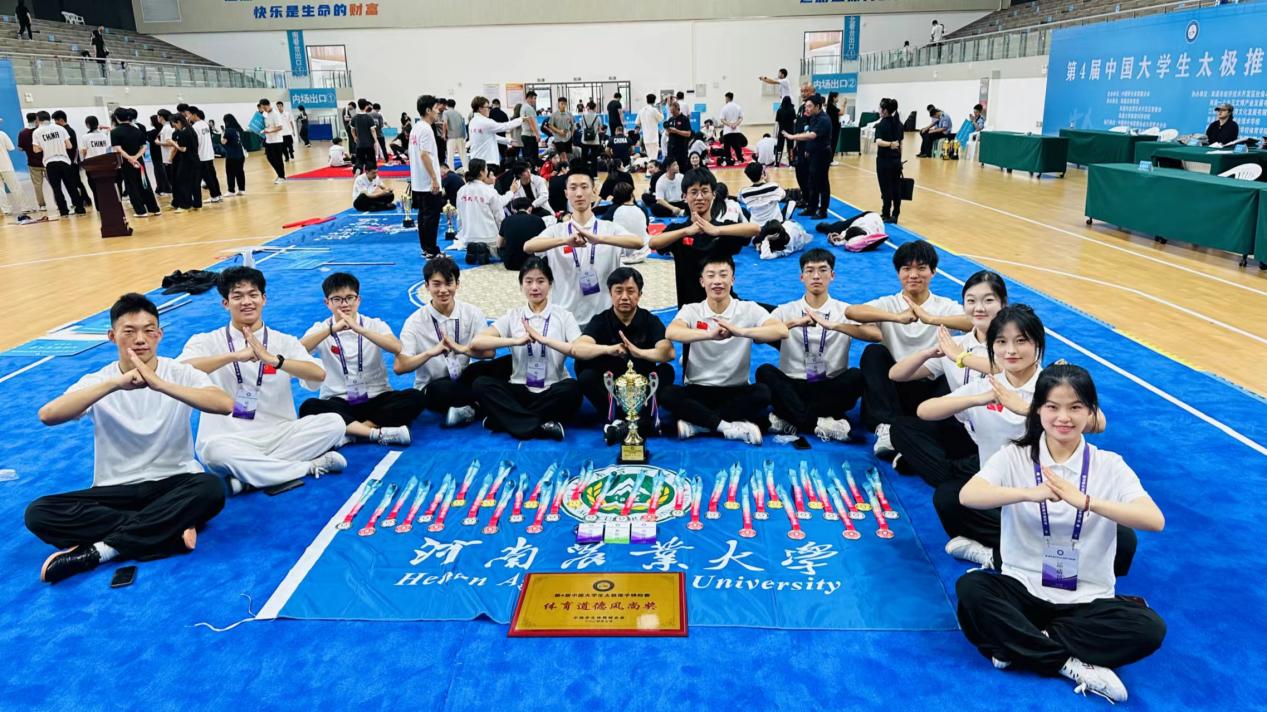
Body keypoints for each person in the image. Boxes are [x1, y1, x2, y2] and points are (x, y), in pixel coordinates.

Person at [955, 365, 1165, 704]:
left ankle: (1016, 643)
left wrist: (1087, 502)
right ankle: (1070, 664)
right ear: (1038, 409)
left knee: (1149, 629)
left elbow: (1154, 520)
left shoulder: (1109, 464)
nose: (1063, 417)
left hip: (1086, 598)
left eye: (1075, 407)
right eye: (1052, 407)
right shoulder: (1015, 456)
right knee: (972, 589)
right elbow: (968, 496)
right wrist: (1028, 493)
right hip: (1024, 588)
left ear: (1091, 412)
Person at [29, 293, 232, 584]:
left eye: (149, 330)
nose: (140, 339)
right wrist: (114, 384)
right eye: (129, 332)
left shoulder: (180, 373)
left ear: (159, 334)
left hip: (174, 483)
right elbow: (48, 415)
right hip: (116, 491)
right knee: (39, 513)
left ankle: (101, 551)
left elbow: (224, 404)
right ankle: (169, 531)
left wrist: (161, 385)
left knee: (210, 488)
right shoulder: (98, 380)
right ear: (112, 336)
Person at [179, 267, 347, 495]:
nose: (247, 302)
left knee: (334, 423)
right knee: (213, 453)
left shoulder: (283, 341)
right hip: (230, 439)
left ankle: (250, 478)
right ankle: (307, 467)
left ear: (264, 299)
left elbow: (318, 374)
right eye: (238, 296)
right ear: (225, 303)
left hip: (280, 434)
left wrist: (276, 360)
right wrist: (233, 356)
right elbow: (180, 371)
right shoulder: (206, 341)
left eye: (253, 294)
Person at [847, 240, 972, 457]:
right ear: (898, 273)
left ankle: (925, 431)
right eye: (906, 269)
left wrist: (931, 319)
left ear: (933, 272)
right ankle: (887, 428)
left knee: (956, 363)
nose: (913, 275)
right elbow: (852, 312)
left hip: (929, 388)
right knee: (873, 353)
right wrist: (896, 317)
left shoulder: (945, 306)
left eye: (921, 268)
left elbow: (973, 322)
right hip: (893, 387)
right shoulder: (889, 304)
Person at [889, 270, 1007, 486]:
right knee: (901, 428)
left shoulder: (1015, 343)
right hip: (964, 428)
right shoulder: (957, 344)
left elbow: (1008, 368)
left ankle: (950, 472)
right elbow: (896, 375)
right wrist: (927, 353)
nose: (979, 308)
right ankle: (957, 474)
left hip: (1001, 433)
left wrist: (960, 357)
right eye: (971, 301)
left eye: (988, 300)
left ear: (1003, 304)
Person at [756, 249, 878, 441]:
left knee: (856, 376)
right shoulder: (785, 310)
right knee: (764, 371)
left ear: (832, 275)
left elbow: (876, 335)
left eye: (822, 270)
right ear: (801, 277)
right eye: (810, 270)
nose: (816, 276)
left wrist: (836, 326)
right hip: (793, 384)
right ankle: (820, 423)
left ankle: (791, 419)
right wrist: (793, 323)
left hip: (829, 386)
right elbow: (759, 337)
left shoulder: (844, 310)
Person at [662, 255, 786, 444]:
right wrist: (709, 335)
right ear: (702, 282)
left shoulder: (748, 308)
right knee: (667, 394)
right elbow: (671, 332)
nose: (717, 281)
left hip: (735, 389)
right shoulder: (692, 309)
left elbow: (781, 330)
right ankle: (727, 427)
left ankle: (700, 424)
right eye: (711, 275)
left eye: (723, 275)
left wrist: (741, 331)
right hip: (698, 388)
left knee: (762, 393)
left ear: (733, 279)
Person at [297, 273, 420, 446]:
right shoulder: (321, 328)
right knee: (309, 407)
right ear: (327, 303)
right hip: (339, 400)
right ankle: (375, 433)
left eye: (350, 298)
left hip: (376, 396)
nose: (344, 304)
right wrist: (331, 330)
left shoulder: (374, 324)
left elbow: (396, 347)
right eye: (337, 299)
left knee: (415, 397)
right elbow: (297, 350)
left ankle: (354, 432)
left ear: (358, 300)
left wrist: (361, 330)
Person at [470, 257, 583, 441]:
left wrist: (546, 340)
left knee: (573, 389)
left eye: (540, 281)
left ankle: (506, 420)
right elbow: (477, 342)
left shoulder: (564, 316)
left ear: (550, 284)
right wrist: (514, 341)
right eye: (528, 282)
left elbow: (579, 349)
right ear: (521, 285)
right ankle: (540, 425)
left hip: (552, 388)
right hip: (519, 388)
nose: (534, 287)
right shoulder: (513, 315)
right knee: (481, 384)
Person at [523, 169, 645, 325]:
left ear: (594, 191)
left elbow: (638, 242)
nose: (579, 193)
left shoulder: (608, 228)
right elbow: (528, 246)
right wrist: (564, 241)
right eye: (573, 188)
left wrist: (599, 239)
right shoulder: (557, 231)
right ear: (566, 193)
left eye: (584, 187)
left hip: (603, 316)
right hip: (564, 316)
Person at [572, 267, 676, 443]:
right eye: (618, 291)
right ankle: (623, 420)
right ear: (610, 294)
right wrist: (608, 349)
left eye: (630, 291)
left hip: (641, 389)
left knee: (666, 371)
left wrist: (639, 353)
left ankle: (633, 422)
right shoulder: (601, 320)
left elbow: (669, 352)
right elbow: (577, 349)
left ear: (640, 294)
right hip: (610, 389)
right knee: (585, 374)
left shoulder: (650, 320)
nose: (624, 297)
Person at [395, 256, 497, 429]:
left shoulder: (472, 313)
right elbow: (399, 367)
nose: (443, 290)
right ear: (427, 286)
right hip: (435, 385)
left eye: (448, 283)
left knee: (504, 365)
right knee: (440, 390)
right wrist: (429, 353)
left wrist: (462, 349)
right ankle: (482, 405)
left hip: (463, 377)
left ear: (457, 284)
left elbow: (490, 353)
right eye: (436, 284)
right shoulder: (414, 322)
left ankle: (470, 408)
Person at [650, 167, 759, 306]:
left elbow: (755, 229)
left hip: (725, 307)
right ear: (684, 197)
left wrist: (716, 230)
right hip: (691, 309)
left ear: (713, 194)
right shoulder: (678, 231)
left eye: (705, 191)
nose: (699, 197)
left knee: (775, 315)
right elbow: (653, 243)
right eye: (694, 192)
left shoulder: (722, 229)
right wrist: (686, 231)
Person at [781, 94, 832, 219]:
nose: (807, 109)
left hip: (822, 154)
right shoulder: (814, 118)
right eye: (806, 106)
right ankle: (811, 207)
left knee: (822, 182)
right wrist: (807, 150)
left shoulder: (824, 119)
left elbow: (812, 135)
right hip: (813, 154)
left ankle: (823, 210)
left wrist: (793, 137)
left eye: (809, 106)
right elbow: (809, 133)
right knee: (812, 181)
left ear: (817, 106)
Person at [409, 94, 445, 260]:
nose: (438, 111)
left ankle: (426, 248)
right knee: (431, 218)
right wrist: (434, 178)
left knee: (424, 216)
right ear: (428, 110)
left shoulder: (416, 127)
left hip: (419, 181)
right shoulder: (426, 129)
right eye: (436, 108)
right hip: (427, 182)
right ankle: (431, 250)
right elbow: (424, 155)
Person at [455, 158, 515, 256]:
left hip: (468, 237)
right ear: (482, 172)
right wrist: (502, 236)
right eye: (486, 169)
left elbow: (459, 216)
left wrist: (463, 234)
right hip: (489, 237)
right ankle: (485, 251)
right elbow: (499, 216)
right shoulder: (489, 191)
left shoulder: (461, 190)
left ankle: (476, 250)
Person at [31, 111, 85, 218]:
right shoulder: (60, 128)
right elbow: (69, 146)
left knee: (57, 188)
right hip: (64, 161)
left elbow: (36, 150)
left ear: (38, 119)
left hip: (50, 163)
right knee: (71, 186)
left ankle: (63, 212)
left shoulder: (37, 132)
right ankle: (80, 209)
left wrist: (45, 146)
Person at [110, 108, 161, 218]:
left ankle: (140, 211)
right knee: (144, 183)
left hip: (126, 162)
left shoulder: (114, 132)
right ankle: (154, 208)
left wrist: (130, 158)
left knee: (131, 185)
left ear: (117, 118)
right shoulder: (137, 130)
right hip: (139, 161)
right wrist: (136, 157)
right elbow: (144, 146)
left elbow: (118, 148)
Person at [52, 111, 93, 211]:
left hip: (72, 160)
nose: (55, 123)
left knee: (76, 182)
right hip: (70, 160)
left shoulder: (68, 131)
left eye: (56, 121)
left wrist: (72, 161)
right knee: (76, 181)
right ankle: (85, 199)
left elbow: (72, 147)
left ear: (61, 120)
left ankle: (84, 200)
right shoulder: (66, 130)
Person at [0, 117, 37, 223]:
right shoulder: (2, 134)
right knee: (15, 187)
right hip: (5, 165)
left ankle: (6, 209)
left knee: (0, 190)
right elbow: (11, 148)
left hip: (4, 166)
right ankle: (25, 207)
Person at [468, 96, 521, 170]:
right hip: (487, 161)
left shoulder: (472, 122)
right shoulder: (485, 121)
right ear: (480, 108)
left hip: (476, 160)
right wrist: (521, 119)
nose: (489, 109)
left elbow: (490, 136)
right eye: (488, 107)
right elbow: (504, 126)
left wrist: (508, 141)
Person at [183, 107, 223, 203]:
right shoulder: (205, 124)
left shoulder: (195, 127)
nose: (187, 117)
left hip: (201, 156)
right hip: (209, 154)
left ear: (194, 114)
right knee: (212, 176)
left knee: (208, 178)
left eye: (188, 115)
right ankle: (218, 195)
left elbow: (195, 143)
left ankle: (214, 196)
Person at [874, 97, 905, 224]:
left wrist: (889, 144)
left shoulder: (881, 125)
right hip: (896, 161)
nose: (879, 110)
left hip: (884, 161)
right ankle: (895, 214)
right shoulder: (899, 124)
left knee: (885, 188)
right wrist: (899, 159)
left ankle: (886, 213)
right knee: (896, 188)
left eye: (880, 108)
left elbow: (878, 141)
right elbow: (901, 144)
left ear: (885, 110)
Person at [499, 198, 547, 271]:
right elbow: (544, 242)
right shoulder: (538, 220)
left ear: (513, 209)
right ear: (530, 208)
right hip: (534, 263)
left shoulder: (506, 220)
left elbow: (499, 244)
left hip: (511, 264)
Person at [167, 114, 201, 212]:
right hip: (193, 159)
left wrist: (172, 142)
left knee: (184, 183)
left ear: (178, 122)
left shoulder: (185, 132)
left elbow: (183, 149)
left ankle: (185, 205)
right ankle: (196, 203)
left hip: (188, 160)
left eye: (174, 124)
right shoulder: (189, 129)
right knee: (193, 183)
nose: (174, 126)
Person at [609, 183, 649, 264]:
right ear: (632, 195)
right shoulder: (642, 209)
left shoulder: (613, 210)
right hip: (641, 253)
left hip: (620, 254)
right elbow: (646, 226)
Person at [738, 162, 788, 226]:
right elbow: (783, 195)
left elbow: (740, 200)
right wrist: (768, 182)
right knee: (791, 203)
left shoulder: (744, 192)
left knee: (743, 210)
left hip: (756, 227)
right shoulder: (773, 186)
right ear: (762, 173)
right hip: (775, 224)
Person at [17, 112, 46, 214]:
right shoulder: (40, 131)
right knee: (54, 183)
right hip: (46, 161)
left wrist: (27, 147)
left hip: (32, 163)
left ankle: (42, 205)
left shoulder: (22, 133)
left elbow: (20, 148)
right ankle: (59, 203)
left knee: (37, 186)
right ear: (37, 119)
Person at [258, 99, 286, 183]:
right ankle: (279, 175)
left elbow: (280, 127)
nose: (264, 109)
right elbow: (265, 125)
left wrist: (269, 131)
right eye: (262, 108)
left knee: (278, 159)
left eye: (265, 107)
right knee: (270, 158)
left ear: (269, 105)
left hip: (277, 140)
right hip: (269, 140)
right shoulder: (265, 114)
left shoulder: (276, 114)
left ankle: (282, 177)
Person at [145, 113, 172, 196]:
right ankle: (166, 187)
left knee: (158, 171)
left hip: (156, 154)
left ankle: (162, 188)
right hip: (163, 153)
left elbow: (150, 140)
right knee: (164, 171)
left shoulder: (153, 132)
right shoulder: (161, 129)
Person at [219, 114, 246, 196]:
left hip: (232, 155)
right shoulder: (239, 129)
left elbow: (223, 142)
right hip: (240, 154)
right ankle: (241, 189)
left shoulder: (228, 130)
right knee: (240, 172)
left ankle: (231, 190)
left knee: (230, 173)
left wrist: (222, 133)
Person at [349, 98, 378, 176]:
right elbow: (373, 130)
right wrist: (376, 140)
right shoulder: (369, 117)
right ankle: (371, 176)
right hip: (369, 144)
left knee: (359, 161)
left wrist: (355, 137)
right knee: (371, 161)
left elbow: (352, 130)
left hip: (359, 144)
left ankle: (358, 170)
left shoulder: (354, 118)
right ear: (366, 106)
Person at [715, 92, 745, 167]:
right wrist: (735, 124)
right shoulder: (738, 107)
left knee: (727, 147)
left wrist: (730, 124)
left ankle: (729, 160)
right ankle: (740, 159)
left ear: (727, 98)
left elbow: (722, 119)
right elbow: (741, 118)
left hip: (727, 131)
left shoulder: (725, 107)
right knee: (737, 146)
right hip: (736, 130)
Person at [663, 102, 693, 175]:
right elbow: (667, 134)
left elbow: (688, 134)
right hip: (671, 149)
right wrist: (668, 131)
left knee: (682, 169)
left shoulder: (685, 119)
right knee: (672, 169)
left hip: (681, 149)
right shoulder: (670, 119)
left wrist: (676, 131)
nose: (672, 113)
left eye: (673, 111)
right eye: (671, 112)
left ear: (678, 109)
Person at [637, 94, 664, 162]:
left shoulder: (641, 110)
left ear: (647, 100)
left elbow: (637, 122)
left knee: (650, 157)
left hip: (646, 138)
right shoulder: (654, 110)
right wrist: (660, 108)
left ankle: (650, 168)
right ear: (654, 101)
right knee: (654, 158)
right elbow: (661, 118)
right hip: (653, 138)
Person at [578, 101, 604, 170]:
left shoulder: (583, 116)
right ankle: (594, 173)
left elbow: (581, 127)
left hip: (584, 140)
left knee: (584, 157)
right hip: (594, 140)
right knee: (594, 157)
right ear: (594, 108)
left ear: (588, 108)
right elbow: (599, 129)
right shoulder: (598, 117)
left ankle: (584, 172)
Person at [520, 91, 542, 167]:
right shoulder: (528, 108)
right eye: (534, 98)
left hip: (526, 135)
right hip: (530, 136)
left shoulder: (523, 107)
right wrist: (537, 135)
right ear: (529, 98)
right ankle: (532, 171)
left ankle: (529, 171)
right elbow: (531, 122)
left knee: (527, 157)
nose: (535, 101)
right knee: (533, 158)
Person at [442, 98, 467, 167]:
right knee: (463, 155)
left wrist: (444, 134)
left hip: (451, 137)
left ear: (447, 105)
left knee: (450, 156)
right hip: (460, 136)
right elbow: (463, 125)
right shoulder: (459, 113)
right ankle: (466, 170)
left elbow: (445, 123)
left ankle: (451, 170)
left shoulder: (445, 112)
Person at [774, 97, 796, 167]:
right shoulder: (792, 110)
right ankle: (791, 162)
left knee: (779, 148)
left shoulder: (779, 110)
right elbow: (794, 121)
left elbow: (777, 123)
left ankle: (777, 163)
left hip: (781, 132)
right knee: (790, 147)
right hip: (790, 132)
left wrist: (775, 133)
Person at [826, 92, 842, 163]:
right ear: (834, 98)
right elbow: (841, 112)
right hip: (833, 127)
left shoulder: (833, 105)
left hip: (835, 126)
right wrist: (844, 104)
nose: (838, 99)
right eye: (837, 97)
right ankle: (830, 159)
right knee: (832, 143)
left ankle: (830, 159)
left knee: (833, 143)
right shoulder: (831, 106)